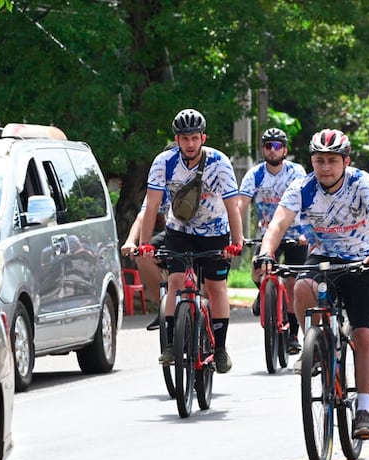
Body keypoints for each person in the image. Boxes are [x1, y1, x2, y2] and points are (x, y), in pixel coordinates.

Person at [255, 128, 369, 440]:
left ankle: (365, 412)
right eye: (319, 161)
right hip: (325, 258)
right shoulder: (302, 187)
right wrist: (265, 253)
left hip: (365, 260)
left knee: (364, 337)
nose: (325, 167)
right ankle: (314, 343)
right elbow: (279, 222)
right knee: (302, 286)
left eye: (332, 161)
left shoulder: (361, 182)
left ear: (346, 160)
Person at [138, 109, 244, 374]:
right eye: (184, 139)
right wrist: (145, 243)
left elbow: (232, 206)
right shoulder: (164, 162)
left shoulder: (219, 162)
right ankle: (172, 344)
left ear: (203, 138)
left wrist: (236, 242)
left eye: (194, 138)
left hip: (214, 232)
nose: (189, 144)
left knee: (216, 287)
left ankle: (219, 348)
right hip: (180, 231)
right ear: (176, 140)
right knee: (175, 281)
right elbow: (151, 206)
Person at [238, 127, 308, 354]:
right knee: (257, 271)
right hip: (269, 233)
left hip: (297, 235)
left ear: (285, 150)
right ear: (263, 150)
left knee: (292, 283)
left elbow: (307, 202)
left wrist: (306, 233)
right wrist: (236, 233)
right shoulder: (255, 174)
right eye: (268, 146)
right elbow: (242, 204)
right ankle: (264, 293)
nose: (273, 150)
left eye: (277, 146)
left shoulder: (296, 172)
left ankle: (293, 335)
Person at [121, 142, 177, 330]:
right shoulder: (159, 184)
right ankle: (163, 305)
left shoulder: (200, 177)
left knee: (208, 283)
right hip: (173, 232)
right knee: (143, 256)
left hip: (203, 233)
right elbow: (143, 215)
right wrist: (131, 241)